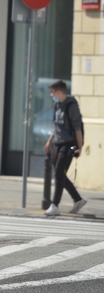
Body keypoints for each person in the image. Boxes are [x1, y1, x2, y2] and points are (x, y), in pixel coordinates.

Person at [43, 80, 87, 216]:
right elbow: (57, 127)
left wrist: (79, 147)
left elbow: (77, 129)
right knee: (59, 174)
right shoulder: (57, 105)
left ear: (59, 92)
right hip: (58, 142)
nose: (51, 95)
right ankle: (78, 199)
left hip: (70, 144)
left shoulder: (71, 106)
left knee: (58, 173)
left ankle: (55, 205)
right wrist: (50, 141)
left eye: (52, 93)